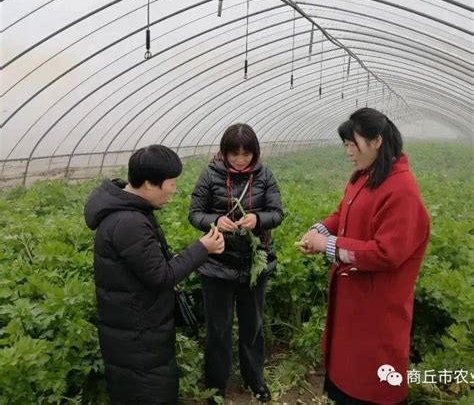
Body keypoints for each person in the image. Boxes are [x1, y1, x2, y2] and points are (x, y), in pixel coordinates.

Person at [299, 108, 430, 404]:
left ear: (377, 142)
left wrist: (327, 245)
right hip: (353, 302)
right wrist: (316, 232)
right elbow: (342, 212)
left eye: (351, 144)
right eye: (345, 144)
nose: (347, 151)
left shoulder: (402, 191)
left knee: (371, 383)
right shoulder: (364, 177)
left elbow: (386, 253)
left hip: (377, 308)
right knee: (346, 374)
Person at [84, 145, 224, 405]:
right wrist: (203, 248)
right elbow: (161, 276)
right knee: (149, 393)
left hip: (136, 328)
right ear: (149, 183)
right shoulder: (129, 222)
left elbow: (151, 266)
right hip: (139, 336)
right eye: (171, 184)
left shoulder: (129, 212)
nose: (174, 189)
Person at [188, 123, 284, 403]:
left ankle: (255, 381)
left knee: (252, 326)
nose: (240, 159)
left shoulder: (264, 175)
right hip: (216, 265)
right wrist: (215, 221)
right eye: (234, 154)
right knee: (218, 329)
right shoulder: (210, 174)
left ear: (255, 153)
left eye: (246, 154)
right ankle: (216, 388)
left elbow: (277, 212)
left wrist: (259, 219)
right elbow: (194, 213)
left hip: (255, 265)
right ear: (224, 152)